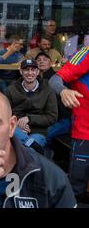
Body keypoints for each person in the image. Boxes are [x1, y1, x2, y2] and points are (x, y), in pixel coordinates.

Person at [49, 46, 89, 202]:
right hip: (84, 134)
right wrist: (64, 91)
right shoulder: (86, 53)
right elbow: (55, 80)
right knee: (76, 190)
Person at [6, 59, 58, 152]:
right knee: (25, 145)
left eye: (33, 70)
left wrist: (29, 119)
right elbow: (5, 113)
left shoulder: (48, 90)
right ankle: (30, 143)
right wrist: (18, 123)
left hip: (38, 132)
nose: (30, 73)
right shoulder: (11, 89)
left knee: (29, 151)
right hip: (16, 129)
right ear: (21, 71)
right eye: (26, 70)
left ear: (37, 72)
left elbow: (52, 117)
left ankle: (30, 144)